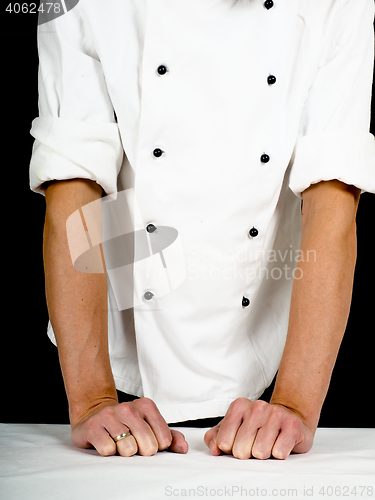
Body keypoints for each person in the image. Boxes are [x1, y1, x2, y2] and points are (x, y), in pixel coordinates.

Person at [29, 0, 375, 460]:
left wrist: (295, 402)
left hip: (285, 347)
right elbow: (74, 179)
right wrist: (92, 398)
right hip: (108, 347)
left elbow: (332, 192)